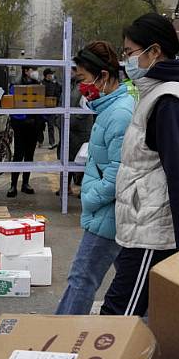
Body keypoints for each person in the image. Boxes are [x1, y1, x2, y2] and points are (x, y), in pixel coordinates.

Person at [101, 12, 179, 317]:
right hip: (146, 222)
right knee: (134, 315)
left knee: (117, 319)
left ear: (154, 51)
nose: (126, 60)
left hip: (154, 230)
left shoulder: (169, 100)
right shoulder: (158, 94)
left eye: (129, 52)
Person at [56, 42, 134, 315]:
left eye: (82, 79)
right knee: (133, 281)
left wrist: (91, 196)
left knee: (82, 277)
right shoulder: (110, 108)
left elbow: (119, 170)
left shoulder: (119, 113)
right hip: (114, 210)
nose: (80, 88)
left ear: (102, 76)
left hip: (108, 212)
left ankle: (57, 338)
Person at [8, 65, 46, 197]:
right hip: (20, 125)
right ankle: (13, 185)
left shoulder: (38, 85)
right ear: (25, 71)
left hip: (34, 125)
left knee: (29, 155)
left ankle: (25, 183)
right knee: (18, 154)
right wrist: (22, 118)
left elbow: (42, 104)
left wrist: (41, 120)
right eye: (32, 69)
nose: (35, 72)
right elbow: (13, 106)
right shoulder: (16, 85)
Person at [56, 65, 92, 196]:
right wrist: (58, 120)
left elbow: (87, 107)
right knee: (65, 158)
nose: (70, 72)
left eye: (73, 69)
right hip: (67, 130)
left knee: (82, 159)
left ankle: (84, 189)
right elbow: (61, 103)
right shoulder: (68, 85)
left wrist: (71, 121)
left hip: (80, 130)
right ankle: (65, 187)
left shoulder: (87, 84)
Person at [42, 68, 62, 149]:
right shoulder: (42, 84)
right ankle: (40, 140)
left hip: (52, 107)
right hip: (42, 108)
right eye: (51, 74)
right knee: (40, 126)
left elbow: (58, 92)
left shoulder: (54, 84)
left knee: (51, 125)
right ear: (47, 75)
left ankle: (52, 142)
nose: (52, 76)